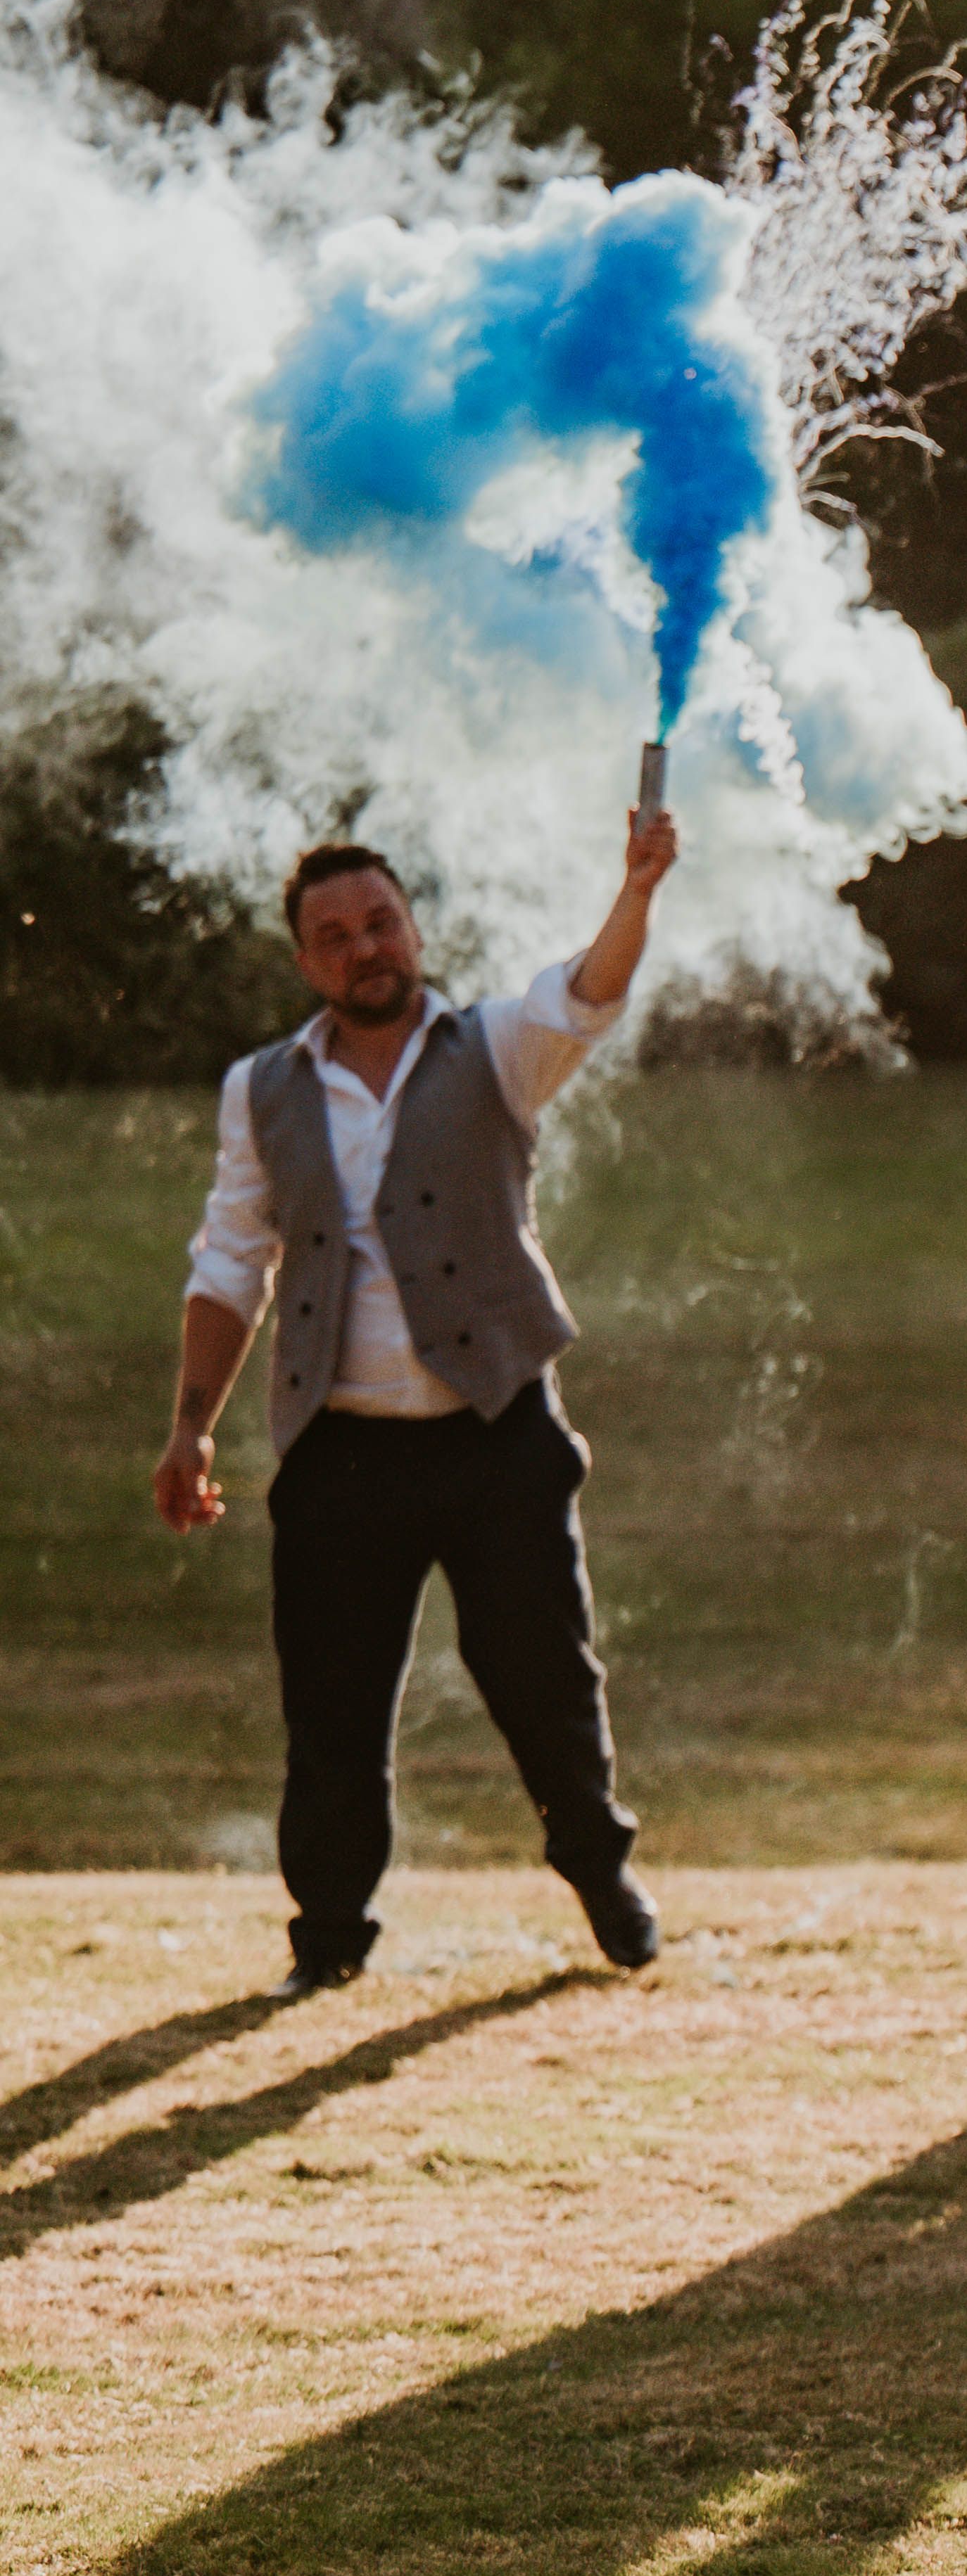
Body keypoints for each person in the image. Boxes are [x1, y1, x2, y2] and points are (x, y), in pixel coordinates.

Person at [153, 817, 678, 1995]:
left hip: (498, 1432)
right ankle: (329, 1937)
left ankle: (601, 1874)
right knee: (331, 1712)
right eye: (333, 937)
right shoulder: (262, 1091)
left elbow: (592, 991)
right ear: (306, 964)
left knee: (546, 1683)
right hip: (341, 1453)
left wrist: (636, 885)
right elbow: (229, 1264)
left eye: (379, 922)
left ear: (413, 928)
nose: (364, 949)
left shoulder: (494, 1047)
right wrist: (188, 1428)